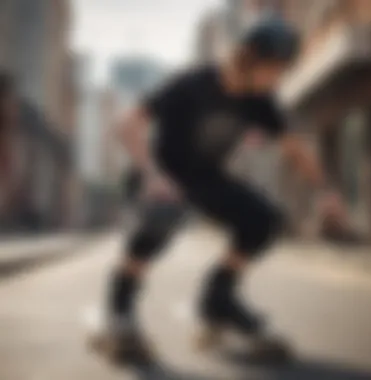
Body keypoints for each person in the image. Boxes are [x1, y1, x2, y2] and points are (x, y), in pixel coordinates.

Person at [94, 16, 346, 363]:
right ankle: (119, 311)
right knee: (162, 214)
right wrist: (152, 175)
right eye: (274, 69)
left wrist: (325, 190)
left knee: (264, 219)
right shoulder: (192, 83)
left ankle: (218, 301)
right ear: (248, 57)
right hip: (160, 172)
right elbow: (127, 124)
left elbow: (296, 148)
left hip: (206, 177)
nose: (277, 79)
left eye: (283, 71)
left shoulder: (261, 100)